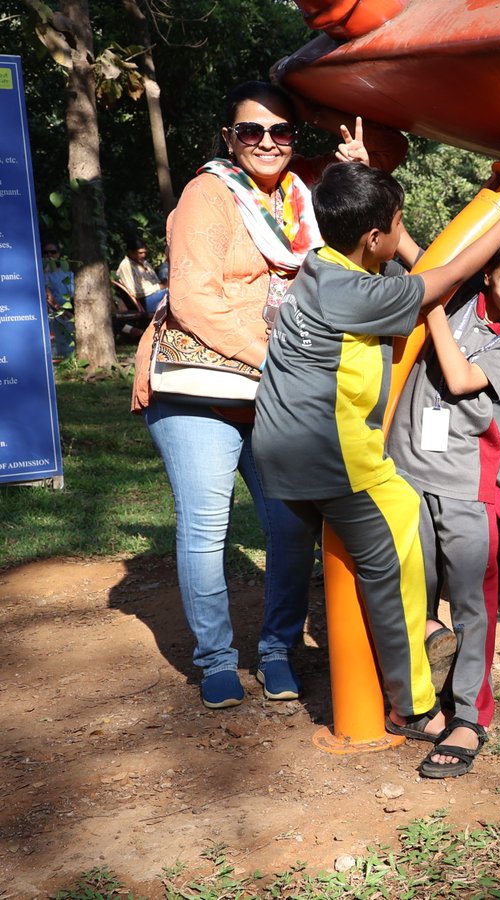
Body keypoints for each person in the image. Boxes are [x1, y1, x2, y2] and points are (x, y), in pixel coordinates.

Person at [252, 161, 500, 751]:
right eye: (396, 222)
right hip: (335, 457)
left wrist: (362, 172)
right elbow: (449, 271)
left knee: (389, 540)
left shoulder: (323, 265)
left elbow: (419, 259)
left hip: (279, 450)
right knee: (395, 560)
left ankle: (427, 626)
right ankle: (413, 705)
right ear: (372, 238)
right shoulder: (361, 292)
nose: (401, 230)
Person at [128, 80, 401, 709]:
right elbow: (194, 300)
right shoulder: (208, 194)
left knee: (291, 525)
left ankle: (277, 649)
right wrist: (279, 360)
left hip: (273, 394)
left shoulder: (304, 197)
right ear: (230, 138)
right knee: (207, 528)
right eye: (252, 130)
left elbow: (389, 165)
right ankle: (216, 658)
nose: (268, 142)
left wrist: (356, 168)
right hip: (201, 390)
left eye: (282, 130)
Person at [386, 220, 500, 777]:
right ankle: (418, 701)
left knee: (472, 605)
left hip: (465, 484)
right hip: (404, 472)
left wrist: (433, 304)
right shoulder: (460, 292)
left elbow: (462, 380)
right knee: (410, 595)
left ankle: (469, 716)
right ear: (488, 273)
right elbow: (417, 252)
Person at [113, 237, 168, 312]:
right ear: (130, 252)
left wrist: (164, 284)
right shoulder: (126, 266)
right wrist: (160, 286)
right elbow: (135, 292)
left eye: (145, 252)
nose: (143, 255)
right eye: (140, 253)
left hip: (156, 295)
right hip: (143, 302)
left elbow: (157, 282)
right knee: (173, 293)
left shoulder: (145, 263)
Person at [40, 240, 74, 358]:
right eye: (46, 253)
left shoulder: (68, 274)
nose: (49, 255)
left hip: (68, 313)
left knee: (69, 345)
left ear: (58, 254)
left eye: (53, 252)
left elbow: (73, 294)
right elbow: (46, 294)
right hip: (52, 315)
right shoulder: (40, 275)